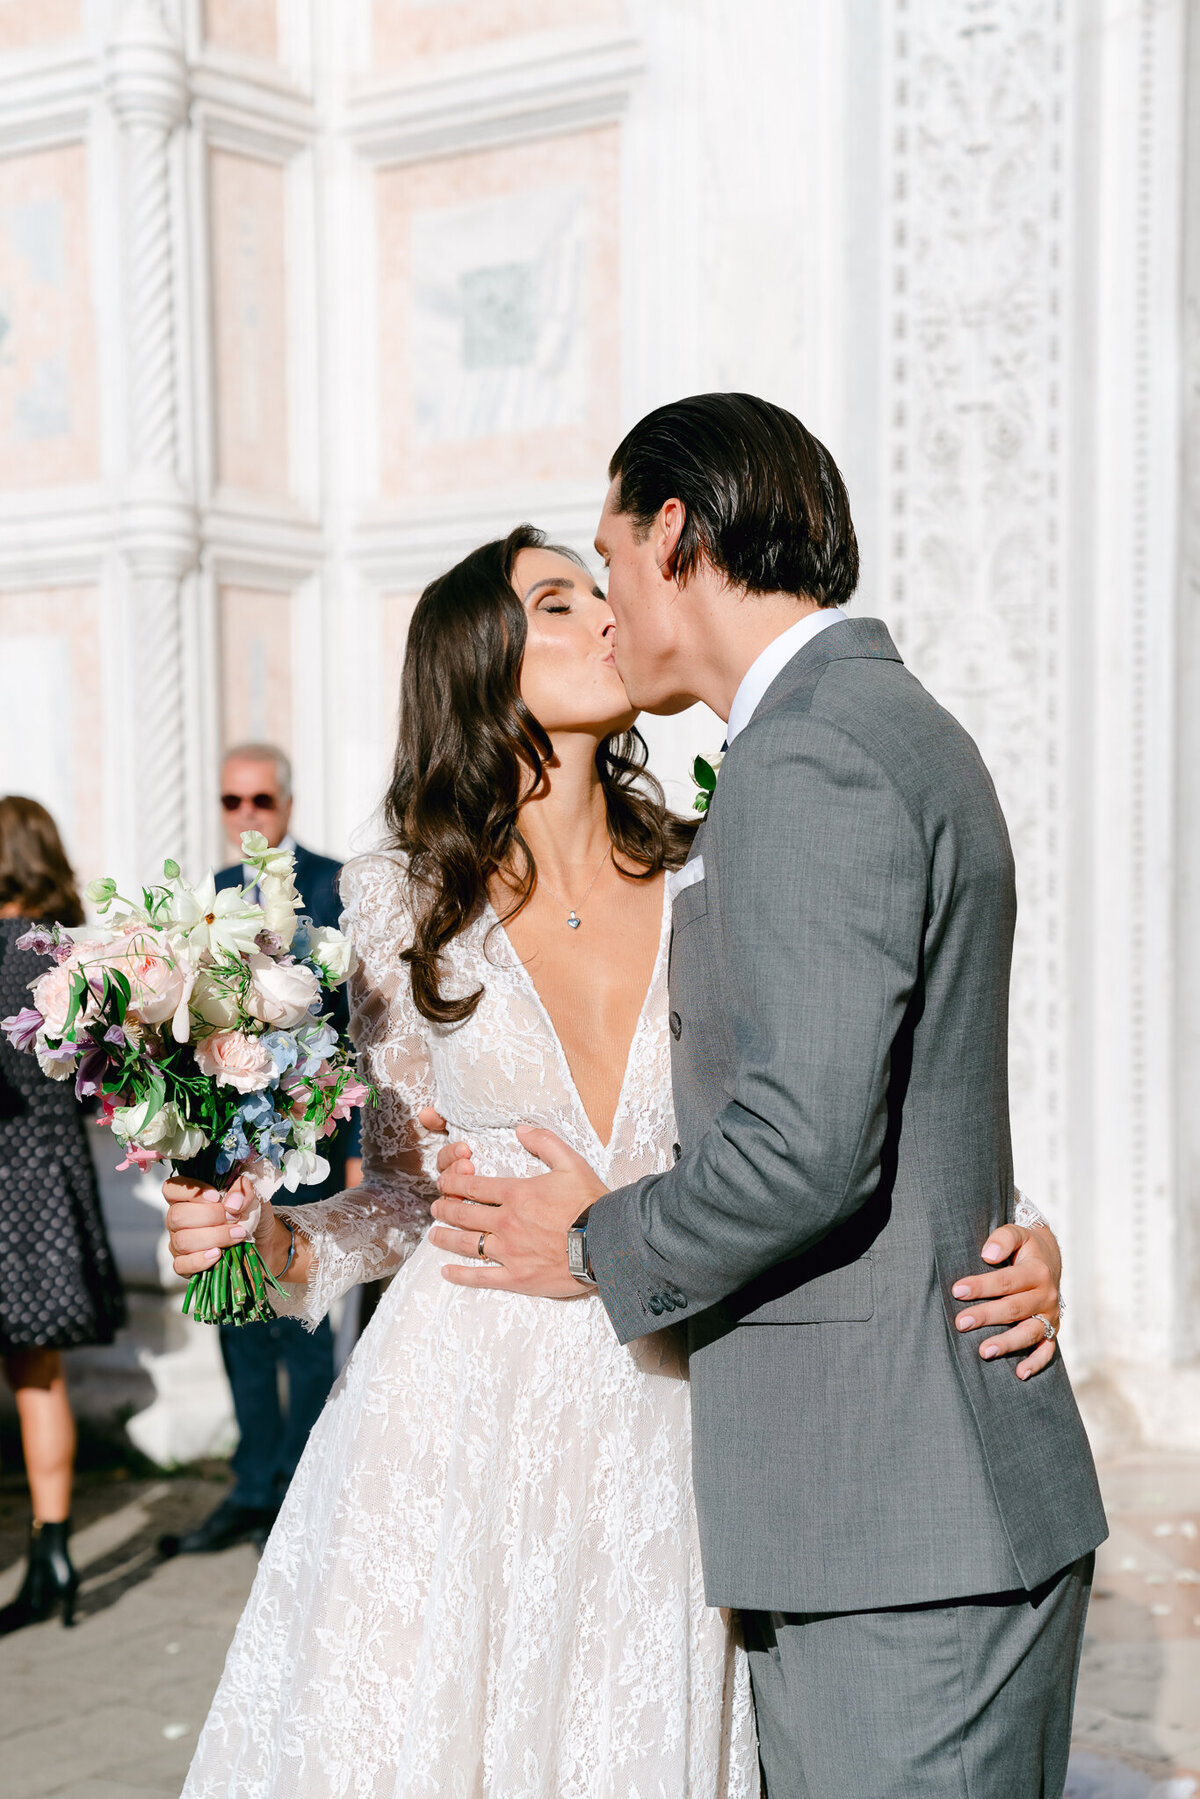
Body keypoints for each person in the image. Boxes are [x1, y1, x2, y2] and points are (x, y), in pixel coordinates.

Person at [164, 523, 1069, 1797]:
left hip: (667, 1394)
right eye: (555, 599)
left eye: (600, 589)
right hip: (453, 1412)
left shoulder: (715, 852)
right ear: (477, 661)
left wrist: (1016, 1223)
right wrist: (267, 1242)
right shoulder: (394, 902)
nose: (602, 614)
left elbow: (846, 1087)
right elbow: (405, 1196)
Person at [430, 397, 1109, 1799]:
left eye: (606, 557)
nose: (609, 606)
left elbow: (806, 1144)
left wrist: (588, 1237)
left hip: (893, 1519)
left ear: (673, 533)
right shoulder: (880, 719)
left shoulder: (806, 751)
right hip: (890, 1499)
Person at [161, 743, 361, 1559]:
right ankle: (250, 1489)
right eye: (231, 802)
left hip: (307, 1137)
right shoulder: (210, 897)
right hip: (223, 1146)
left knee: (300, 1319)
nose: (246, 816)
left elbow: (355, 1030)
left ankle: (299, 1493)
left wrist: (355, 1152)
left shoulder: (335, 885)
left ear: (285, 802)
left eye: (259, 801)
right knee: (237, 1320)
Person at [0, 795, 126, 1632]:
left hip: (5, 1180)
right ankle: (54, 1550)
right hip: (53, 1187)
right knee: (40, 1374)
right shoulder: (72, 958)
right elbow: (99, 1091)